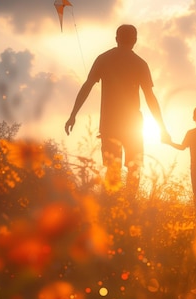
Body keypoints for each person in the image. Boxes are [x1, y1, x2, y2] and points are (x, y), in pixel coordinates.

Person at [64, 24, 170, 192]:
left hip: (109, 123)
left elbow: (87, 86)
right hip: (133, 124)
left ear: (116, 39)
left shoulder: (103, 59)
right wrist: (162, 128)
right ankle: (130, 207)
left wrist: (73, 115)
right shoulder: (140, 63)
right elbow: (150, 98)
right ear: (135, 40)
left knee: (113, 168)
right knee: (134, 168)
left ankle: (112, 206)